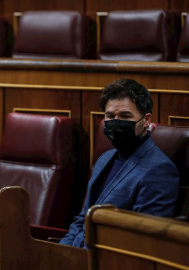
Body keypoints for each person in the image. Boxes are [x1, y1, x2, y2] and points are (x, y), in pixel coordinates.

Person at [59, 79, 179, 248]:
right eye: (110, 116)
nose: (116, 122)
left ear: (146, 120)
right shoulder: (104, 159)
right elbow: (83, 219)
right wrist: (60, 253)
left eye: (125, 116)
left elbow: (142, 240)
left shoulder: (159, 170)